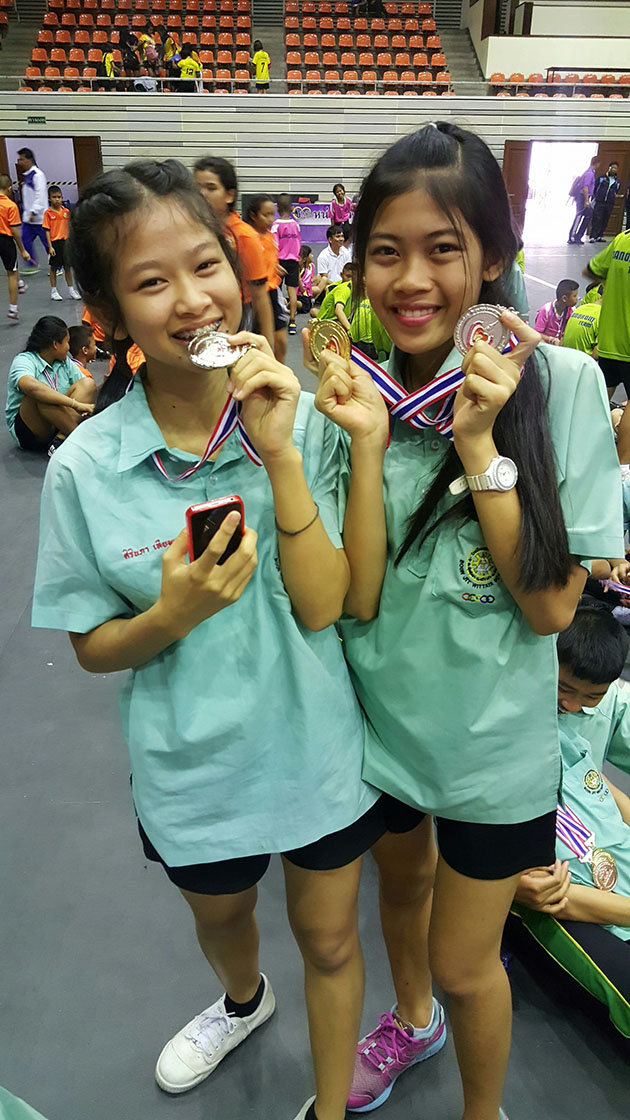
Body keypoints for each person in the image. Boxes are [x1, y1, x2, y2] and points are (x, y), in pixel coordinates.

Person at [31, 158, 400, 1120]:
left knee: (332, 941)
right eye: (153, 282)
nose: (194, 300)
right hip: (192, 770)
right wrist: (172, 616)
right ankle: (243, 1000)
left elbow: (328, 607)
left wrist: (279, 456)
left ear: (238, 270)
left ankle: (330, 1108)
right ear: (108, 315)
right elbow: (92, 645)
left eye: (206, 266)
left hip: (318, 749)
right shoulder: (85, 468)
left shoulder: (306, 419)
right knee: (225, 918)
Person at [311, 121, 623, 1119]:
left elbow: (550, 608)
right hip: (379, 726)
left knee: (466, 962)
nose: (411, 281)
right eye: (386, 252)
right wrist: (356, 442)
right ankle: (412, 1020)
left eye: (442, 249)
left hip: (494, 750)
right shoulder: (354, 394)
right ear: (357, 262)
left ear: (492, 256)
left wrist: (482, 444)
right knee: (402, 896)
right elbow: (355, 598)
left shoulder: (562, 384)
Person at [512, 608, 630, 1034]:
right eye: (564, 689)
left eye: (590, 698)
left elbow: (604, 791)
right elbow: (558, 897)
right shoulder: (502, 751)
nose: (573, 705)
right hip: (592, 908)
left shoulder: (568, 735)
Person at [193, 156, 274, 350]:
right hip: (201, 312)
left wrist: (268, 346)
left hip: (238, 315)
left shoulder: (244, 236)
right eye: (197, 188)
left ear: (229, 195)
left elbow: (260, 295)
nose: (202, 194)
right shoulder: (193, 230)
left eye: (211, 188)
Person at [5, 315, 95, 452]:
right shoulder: (24, 360)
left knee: (88, 384)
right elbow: (31, 387)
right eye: (67, 342)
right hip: (30, 431)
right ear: (55, 344)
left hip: (57, 421)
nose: (69, 347)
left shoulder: (64, 362)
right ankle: (80, 439)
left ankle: (60, 440)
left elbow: (85, 390)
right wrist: (76, 404)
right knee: (41, 395)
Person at [585, 227, 630, 397]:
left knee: (600, 400)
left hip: (608, 342)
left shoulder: (622, 239)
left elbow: (591, 270)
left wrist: (613, 285)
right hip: (627, 347)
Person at [245, 193, 288, 361]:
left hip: (273, 292)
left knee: (281, 341)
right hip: (254, 296)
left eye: (272, 214)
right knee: (258, 342)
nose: (271, 219)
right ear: (253, 215)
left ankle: (280, 371)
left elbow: (267, 257)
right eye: (266, 215)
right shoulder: (247, 237)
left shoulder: (270, 236)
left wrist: (275, 267)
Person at [42, 185, 81, 302]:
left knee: (67, 267)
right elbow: (47, 231)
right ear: (49, 198)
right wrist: (50, 247)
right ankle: (54, 291)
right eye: (54, 197)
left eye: (59, 197)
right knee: (53, 268)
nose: (57, 199)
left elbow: (70, 228)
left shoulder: (66, 212)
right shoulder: (48, 213)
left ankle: (71, 290)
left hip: (66, 243)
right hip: (55, 243)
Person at [0, 172, 30, 322]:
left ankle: (20, 283)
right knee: (11, 272)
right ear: (9, 188)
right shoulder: (11, 206)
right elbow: (14, 231)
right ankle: (13, 308)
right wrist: (22, 250)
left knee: (13, 266)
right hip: (5, 240)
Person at [271, 193, 301, 335]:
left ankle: (276, 319)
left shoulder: (275, 226)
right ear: (291, 208)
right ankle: (292, 321)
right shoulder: (296, 225)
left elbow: (274, 245)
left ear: (277, 209)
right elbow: (298, 243)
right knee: (292, 291)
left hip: (279, 262)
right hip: (293, 261)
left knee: (275, 290)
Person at [16, 147, 48, 271]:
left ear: (29, 160)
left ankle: (57, 265)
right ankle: (31, 265)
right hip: (28, 219)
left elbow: (40, 195)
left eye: (22, 159)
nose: (19, 162)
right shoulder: (27, 176)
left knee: (48, 243)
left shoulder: (37, 175)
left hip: (39, 218)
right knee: (25, 240)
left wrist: (34, 211)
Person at [534, 278, 579, 345]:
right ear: (564, 298)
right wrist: (551, 339)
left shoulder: (572, 310)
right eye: (574, 296)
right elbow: (536, 334)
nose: (577, 299)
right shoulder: (546, 310)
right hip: (545, 344)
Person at [561, 287, 601, 357]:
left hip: (564, 356)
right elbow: (596, 355)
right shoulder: (605, 316)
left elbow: (562, 340)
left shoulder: (579, 309)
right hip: (582, 361)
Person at [568, 155, 598, 246]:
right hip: (582, 197)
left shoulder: (590, 172)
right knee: (579, 216)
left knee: (588, 215)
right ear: (597, 163)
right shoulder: (589, 173)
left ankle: (578, 236)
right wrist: (586, 200)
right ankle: (572, 236)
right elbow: (585, 187)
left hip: (583, 197)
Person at [590, 162, 621, 243]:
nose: (613, 169)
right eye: (612, 167)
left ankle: (600, 236)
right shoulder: (602, 178)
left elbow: (616, 190)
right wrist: (597, 196)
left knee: (605, 219)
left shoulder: (617, 181)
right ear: (609, 168)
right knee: (597, 219)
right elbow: (595, 188)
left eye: (615, 168)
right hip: (600, 201)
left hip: (609, 203)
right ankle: (593, 236)